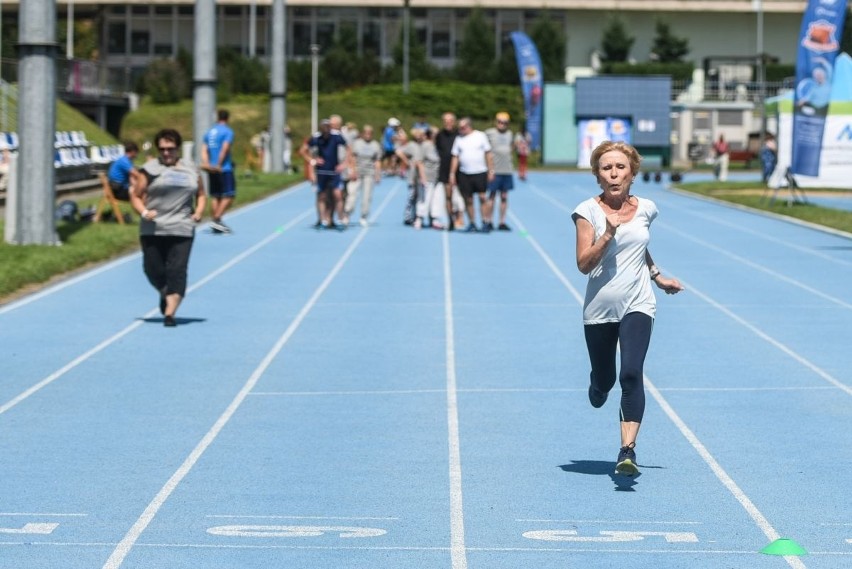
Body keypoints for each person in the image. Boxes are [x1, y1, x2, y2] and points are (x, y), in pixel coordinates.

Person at [571, 140, 683, 476]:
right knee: (605, 381)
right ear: (598, 176)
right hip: (600, 310)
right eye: (606, 168)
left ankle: (626, 450)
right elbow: (583, 264)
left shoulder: (647, 208)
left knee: (631, 373)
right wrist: (606, 236)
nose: (614, 173)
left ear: (632, 173)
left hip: (638, 302)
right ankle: (597, 384)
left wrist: (657, 275)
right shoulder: (586, 211)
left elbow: (639, 248)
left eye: (620, 167)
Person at [128, 128, 206, 327]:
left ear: (178, 148)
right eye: (162, 149)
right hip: (153, 228)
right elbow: (135, 196)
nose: (166, 153)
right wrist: (145, 213)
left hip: (182, 226)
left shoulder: (191, 169)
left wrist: (198, 212)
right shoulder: (149, 169)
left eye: (170, 149)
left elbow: (201, 194)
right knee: (152, 269)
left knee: (177, 270)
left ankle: (170, 313)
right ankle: (165, 292)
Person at [299, 118, 350, 230]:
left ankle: (340, 218)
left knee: (337, 195)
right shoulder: (316, 138)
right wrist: (312, 160)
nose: (326, 131)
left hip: (334, 171)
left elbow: (348, 148)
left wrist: (345, 163)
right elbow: (303, 150)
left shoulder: (336, 137)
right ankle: (322, 220)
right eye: (324, 129)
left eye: (328, 128)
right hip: (321, 171)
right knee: (322, 196)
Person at [449, 117, 494, 233]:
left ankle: (485, 221)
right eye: (459, 128)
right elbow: (455, 156)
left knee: (482, 197)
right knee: (468, 199)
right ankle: (472, 222)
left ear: (469, 126)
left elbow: (488, 154)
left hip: (480, 172)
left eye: (462, 127)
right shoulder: (459, 139)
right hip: (465, 173)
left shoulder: (480, 136)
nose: (460, 129)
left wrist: (491, 170)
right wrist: (452, 173)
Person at [200, 109, 236, 233]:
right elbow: (225, 148)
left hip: (211, 167)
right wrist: (218, 164)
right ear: (227, 118)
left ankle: (216, 223)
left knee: (216, 195)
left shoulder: (209, 132)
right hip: (224, 168)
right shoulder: (227, 131)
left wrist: (207, 164)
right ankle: (216, 219)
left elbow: (204, 149)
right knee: (229, 195)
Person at [344, 124, 382, 227]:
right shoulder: (357, 143)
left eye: (370, 133)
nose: (368, 135)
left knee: (366, 196)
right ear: (362, 133)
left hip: (369, 173)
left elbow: (377, 161)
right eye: (366, 133)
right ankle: (347, 213)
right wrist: (352, 170)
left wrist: (378, 174)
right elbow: (352, 157)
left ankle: (363, 216)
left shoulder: (375, 145)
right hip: (357, 171)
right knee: (352, 194)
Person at [484, 111, 515, 231]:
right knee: (491, 196)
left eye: (505, 123)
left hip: (507, 170)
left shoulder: (510, 134)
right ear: (496, 122)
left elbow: (511, 147)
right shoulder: (489, 133)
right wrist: (489, 169)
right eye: (500, 122)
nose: (502, 124)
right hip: (494, 170)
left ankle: (502, 222)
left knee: (504, 196)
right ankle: (489, 220)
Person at [435, 112, 465, 230]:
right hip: (445, 169)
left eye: (450, 120)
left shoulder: (459, 135)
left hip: (460, 170)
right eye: (445, 121)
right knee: (448, 196)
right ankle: (450, 219)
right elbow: (438, 150)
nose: (448, 123)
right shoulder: (440, 135)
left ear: (454, 122)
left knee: (462, 195)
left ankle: (460, 216)